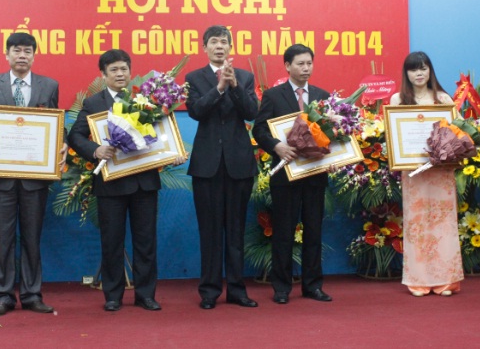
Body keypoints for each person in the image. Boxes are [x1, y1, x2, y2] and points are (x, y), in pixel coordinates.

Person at [68, 49, 185, 312]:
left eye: (124, 69)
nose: (120, 74)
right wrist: (95, 150)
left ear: (130, 72)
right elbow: (75, 136)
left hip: (144, 183)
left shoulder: (145, 99)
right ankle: (113, 296)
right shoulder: (93, 103)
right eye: (114, 70)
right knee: (111, 241)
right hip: (111, 184)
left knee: (146, 241)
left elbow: (161, 136)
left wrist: (173, 154)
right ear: (103, 74)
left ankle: (146, 295)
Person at [0, 32, 65, 317]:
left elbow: (56, 123)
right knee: (3, 239)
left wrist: (63, 142)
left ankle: (31, 295)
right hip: (0, 178)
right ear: (6, 54)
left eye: (27, 51)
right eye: (16, 50)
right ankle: (3, 296)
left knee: (32, 238)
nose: (22, 55)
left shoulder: (49, 85)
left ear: (34, 56)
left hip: (34, 178)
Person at [185, 25, 260, 310]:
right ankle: (209, 291)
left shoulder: (245, 77)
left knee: (236, 230)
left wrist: (235, 86)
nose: (219, 46)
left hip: (239, 164)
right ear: (204, 47)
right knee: (210, 231)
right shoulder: (194, 78)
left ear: (230, 47)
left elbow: (251, 113)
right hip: (207, 165)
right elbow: (196, 111)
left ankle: (237, 290)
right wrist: (219, 88)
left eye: (224, 42)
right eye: (214, 42)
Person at [252, 44, 332, 305]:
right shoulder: (273, 96)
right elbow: (259, 130)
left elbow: (332, 135)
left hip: (315, 174)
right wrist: (277, 146)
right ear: (287, 66)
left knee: (314, 231)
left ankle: (313, 286)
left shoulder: (322, 96)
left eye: (309, 63)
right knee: (283, 232)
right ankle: (282, 287)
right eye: (300, 63)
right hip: (285, 175)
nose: (306, 68)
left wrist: (335, 159)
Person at [390, 51, 464, 297]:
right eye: (413, 69)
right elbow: (391, 134)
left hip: (440, 172)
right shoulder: (398, 99)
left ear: (430, 70)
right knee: (417, 223)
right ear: (406, 73)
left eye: (423, 68)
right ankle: (419, 280)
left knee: (444, 223)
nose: (419, 73)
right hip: (413, 171)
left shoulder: (443, 98)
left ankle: (446, 281)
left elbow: (458, 130)